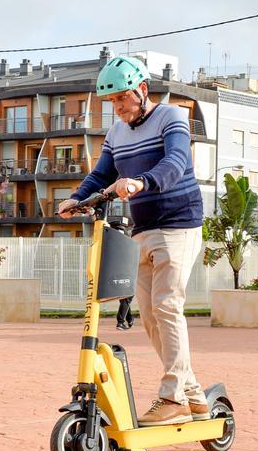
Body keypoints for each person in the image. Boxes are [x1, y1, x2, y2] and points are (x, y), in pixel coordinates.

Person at [58, 56, 209, 426]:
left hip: (179, 223)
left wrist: (142, 181)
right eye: (111, 102)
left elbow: (175, 162)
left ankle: (172, 396)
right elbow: (101, 174)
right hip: (142, 230)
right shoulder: (116, 134)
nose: (118, 108)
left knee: (167, 306)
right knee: (150, 316)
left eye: (122, 99)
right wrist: (76, 198)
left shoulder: (171, 118)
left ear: (142, 90)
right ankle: (193, 395)